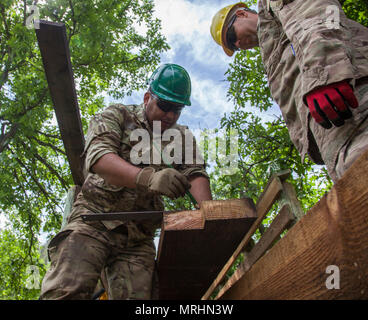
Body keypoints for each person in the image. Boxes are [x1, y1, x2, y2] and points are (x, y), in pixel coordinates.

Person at [40, 63, 212, 299]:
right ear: (147, 98)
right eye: (165, 106)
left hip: (138, 239)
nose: (170, 115)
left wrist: (209, 216)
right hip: (93, 219)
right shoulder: (116, 115)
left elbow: (195, 173)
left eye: (177, 109)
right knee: (66, 291)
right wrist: (148, 178)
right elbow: (99, 158)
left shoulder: (181, 137)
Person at [210, 1, 368, 182]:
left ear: (241, 14)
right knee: (355, 188)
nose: (237, 44)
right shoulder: (271, 50)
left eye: (231, 36)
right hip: (335, 130)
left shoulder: (268, 6)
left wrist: (324, 73)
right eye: (234, 47)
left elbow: (314, 10)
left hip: (353, 96)